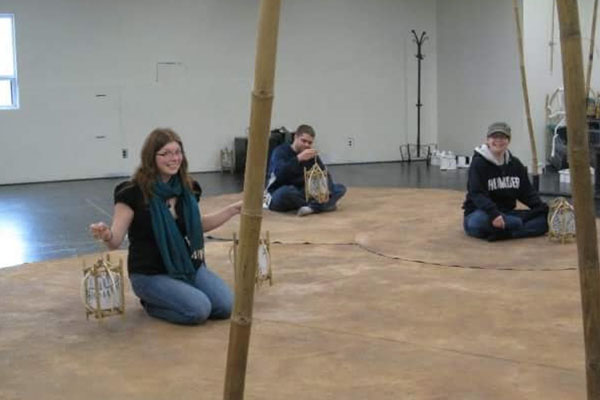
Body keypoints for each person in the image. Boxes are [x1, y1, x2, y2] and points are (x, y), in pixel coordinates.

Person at [89, 128, 241, 325]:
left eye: (177, 152)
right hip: (149, 272)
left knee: (225, 306)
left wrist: (232, 209)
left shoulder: (187, 188)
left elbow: (197, 225)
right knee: (200, 310)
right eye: (165, 153)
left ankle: (178, 294)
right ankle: (152, 304)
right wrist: (106, 234)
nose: (173, 158)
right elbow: (115, 241)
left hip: (184, 265)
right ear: (151, 157)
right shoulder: (132, 192)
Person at [462, 122, 549, 241]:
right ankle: (517, 226)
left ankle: (505, 233)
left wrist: (542, 208)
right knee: (476, 223)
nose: (498, 140)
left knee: (544, 222)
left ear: (508, 141)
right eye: (494, 137)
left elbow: (526, 192)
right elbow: (477, 194)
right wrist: (494, 214)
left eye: (502, 137)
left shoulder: (516, 164)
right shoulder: (478, 164)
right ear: (487, 140)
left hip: (507, 214)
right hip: (482, 213)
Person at [264, 124, 346, 216]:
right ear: (295, 137)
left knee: (339, 188)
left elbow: (324, 175)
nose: (306, 145)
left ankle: (311, 207)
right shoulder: (280, 151)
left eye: (310, 143)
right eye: (303, 141)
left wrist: (327, 190)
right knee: (286, 192)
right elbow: (279, 174)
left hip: (303, 191)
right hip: (280, 190)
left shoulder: (311, 155)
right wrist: (298, 159)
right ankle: (319, 206)